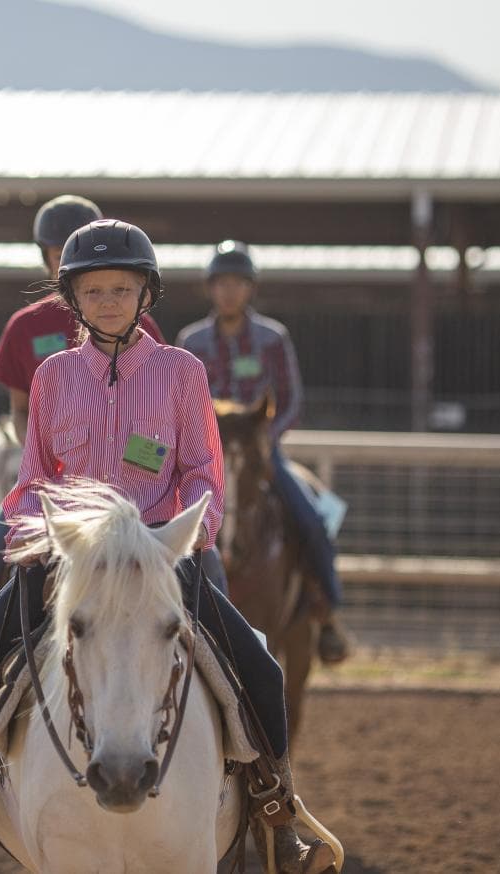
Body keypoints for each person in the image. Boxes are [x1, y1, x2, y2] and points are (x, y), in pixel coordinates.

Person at [0, 221, 336, 874]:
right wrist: (36, 536)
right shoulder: (53, 377)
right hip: (71, 558)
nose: (108, 300)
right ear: (72, 298)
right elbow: (33, 480)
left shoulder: (180, 373)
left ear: (146, 295)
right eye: (94, 290)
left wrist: (187, 535)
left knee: (261, 669)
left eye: (122, 288)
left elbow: (202, 471)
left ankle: (278, 818)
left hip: (167, 554)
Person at [0, 195, 164, 634]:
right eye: (59, 255)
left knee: (210, 564)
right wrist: (43, 457)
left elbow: (163, 418)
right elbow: (19, 411)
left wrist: (139, 464)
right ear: (49, 258)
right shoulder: (24, 327)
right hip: (52, 478)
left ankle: (234, 667)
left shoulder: (140, 325)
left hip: (136, 483)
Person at [176, 241, 350, 664]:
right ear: (210, 289)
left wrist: (265, 440)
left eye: (237, 283)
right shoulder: (191, 341)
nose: (229, 291)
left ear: (250, 288)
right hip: (206, 461)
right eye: (221, 283)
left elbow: (290, 399)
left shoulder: (273, 339)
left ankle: (327, 611)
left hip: (261, 454)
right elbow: (180, 401)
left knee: (314, 515)